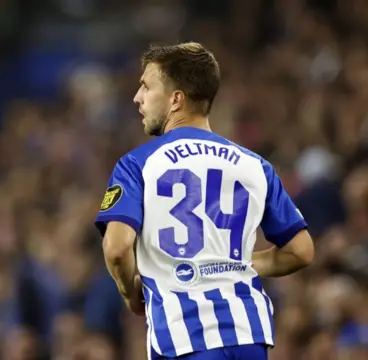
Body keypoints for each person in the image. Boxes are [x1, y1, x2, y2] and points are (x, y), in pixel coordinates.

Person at [94, 42, 315, 360]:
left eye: (146, 86)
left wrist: (130, 293)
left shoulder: (137, 164)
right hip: (249, 333)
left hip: (185, 337)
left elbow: (116, 249)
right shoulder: (255, 165)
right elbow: (301, 251)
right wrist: (235, 265)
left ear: (175, 99)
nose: (137, 97)